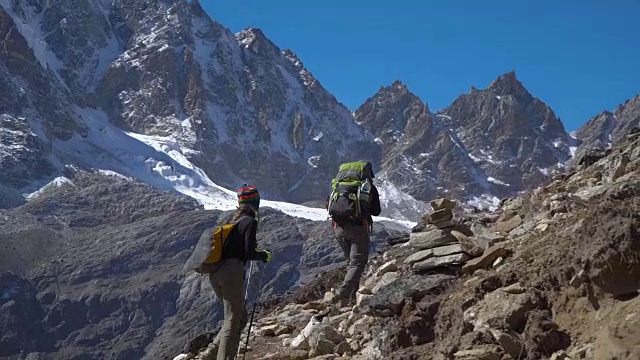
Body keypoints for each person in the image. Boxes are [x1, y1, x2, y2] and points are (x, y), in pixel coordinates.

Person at [206, 184, 272, 360]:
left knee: (238, 316)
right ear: (255, 202)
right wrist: (263, 255)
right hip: (232, 273)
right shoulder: (250, 222)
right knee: (234, 319)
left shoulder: (234, 222)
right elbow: (248, 251)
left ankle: (209, 355)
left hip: (216, 273)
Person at [326, 162, 381, 306]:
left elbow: (328, 205)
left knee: (351, 263)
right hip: (358, 228)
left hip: (338, 228)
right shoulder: (366, 186)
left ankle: (350, 301)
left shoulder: (338, 186)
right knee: (357, 263)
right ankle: (344, 293)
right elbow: (376, 211)